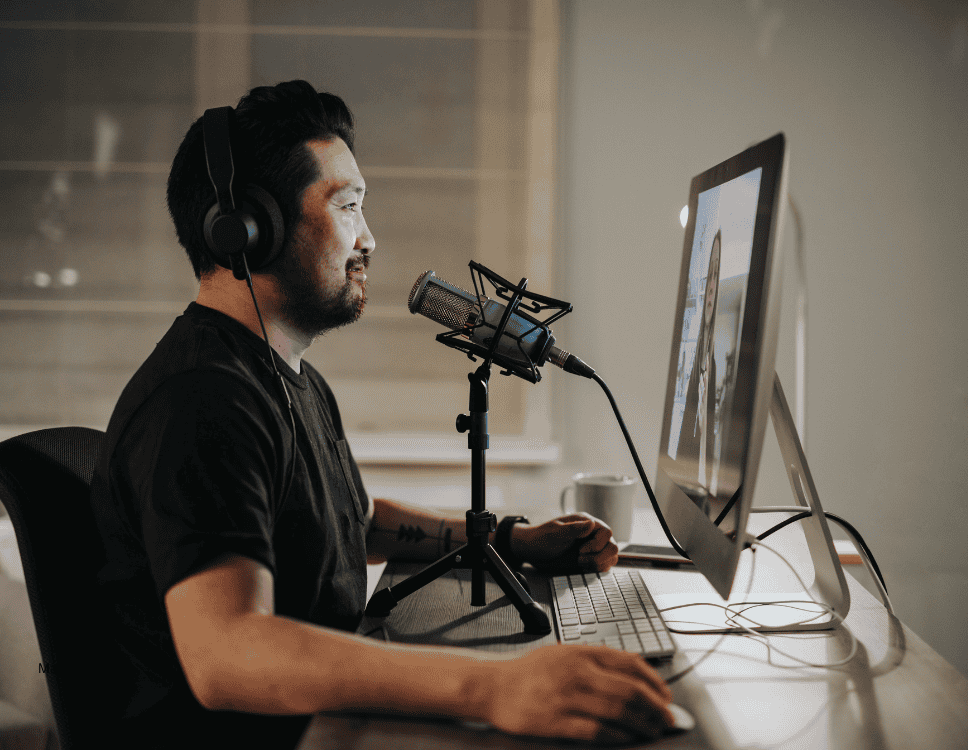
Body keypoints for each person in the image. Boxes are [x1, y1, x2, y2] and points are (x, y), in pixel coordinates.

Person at [88, 80, 676, 749]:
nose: (369, 238)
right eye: (348, 207)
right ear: (249, 228)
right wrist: (495, 685)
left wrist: (513, 539)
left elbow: (348, 522)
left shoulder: (281, 376)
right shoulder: (201, 400)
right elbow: (227, 653)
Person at [680, 229, 722, 509]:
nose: (710, 286)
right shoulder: (694, 358)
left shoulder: (716, 362)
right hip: (690, 492)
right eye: (710, 273)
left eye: (718, 276)